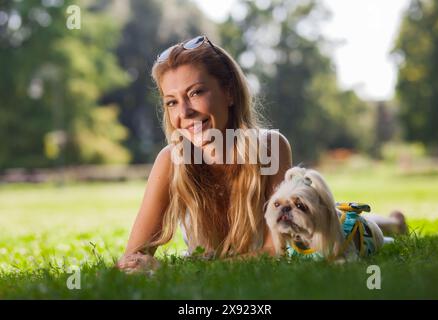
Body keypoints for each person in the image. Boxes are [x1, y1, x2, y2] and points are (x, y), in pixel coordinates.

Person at [116, 35, 407, 273]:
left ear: (229, 93)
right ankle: (391, 220)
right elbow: (133, 257)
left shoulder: (270, 148)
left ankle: (392, 222)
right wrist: (141, 264)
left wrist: (184, 270)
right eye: (171, 102)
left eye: (195, 93)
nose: (184, 112)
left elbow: (274, 250)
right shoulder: (172, 160)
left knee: (344, 223)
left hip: (301, 225)